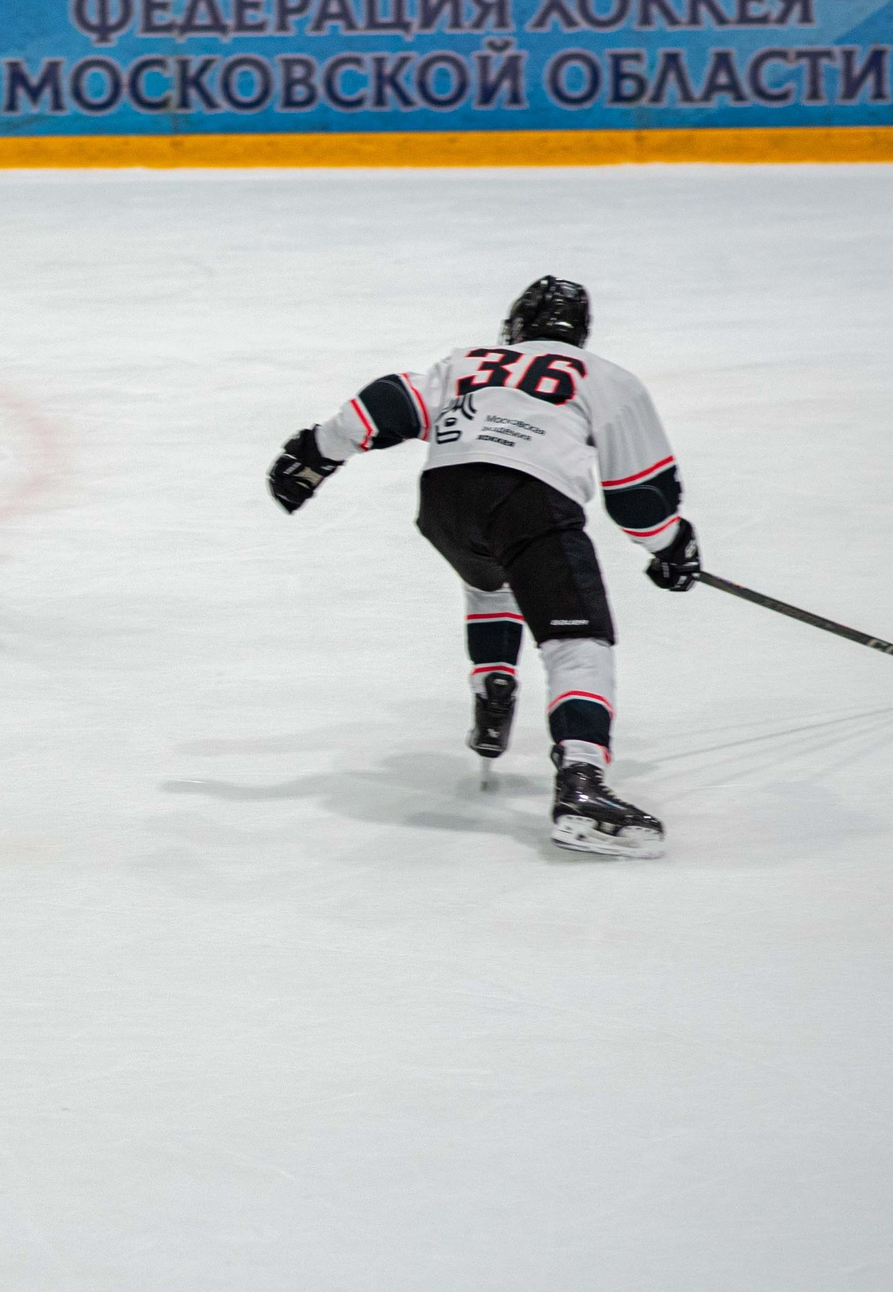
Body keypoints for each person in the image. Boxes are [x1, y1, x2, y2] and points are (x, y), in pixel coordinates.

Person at [265, 277, 700, 859]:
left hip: (445, 500)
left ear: (517, 324)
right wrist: (672, 547)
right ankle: (582, 786)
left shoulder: (469, 361)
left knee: (490, 577)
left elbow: (391, 400)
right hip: (530, 500)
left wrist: (318, 452)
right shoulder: (608, 378)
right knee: (578, 641)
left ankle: (493, 685)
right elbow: (639, 502)